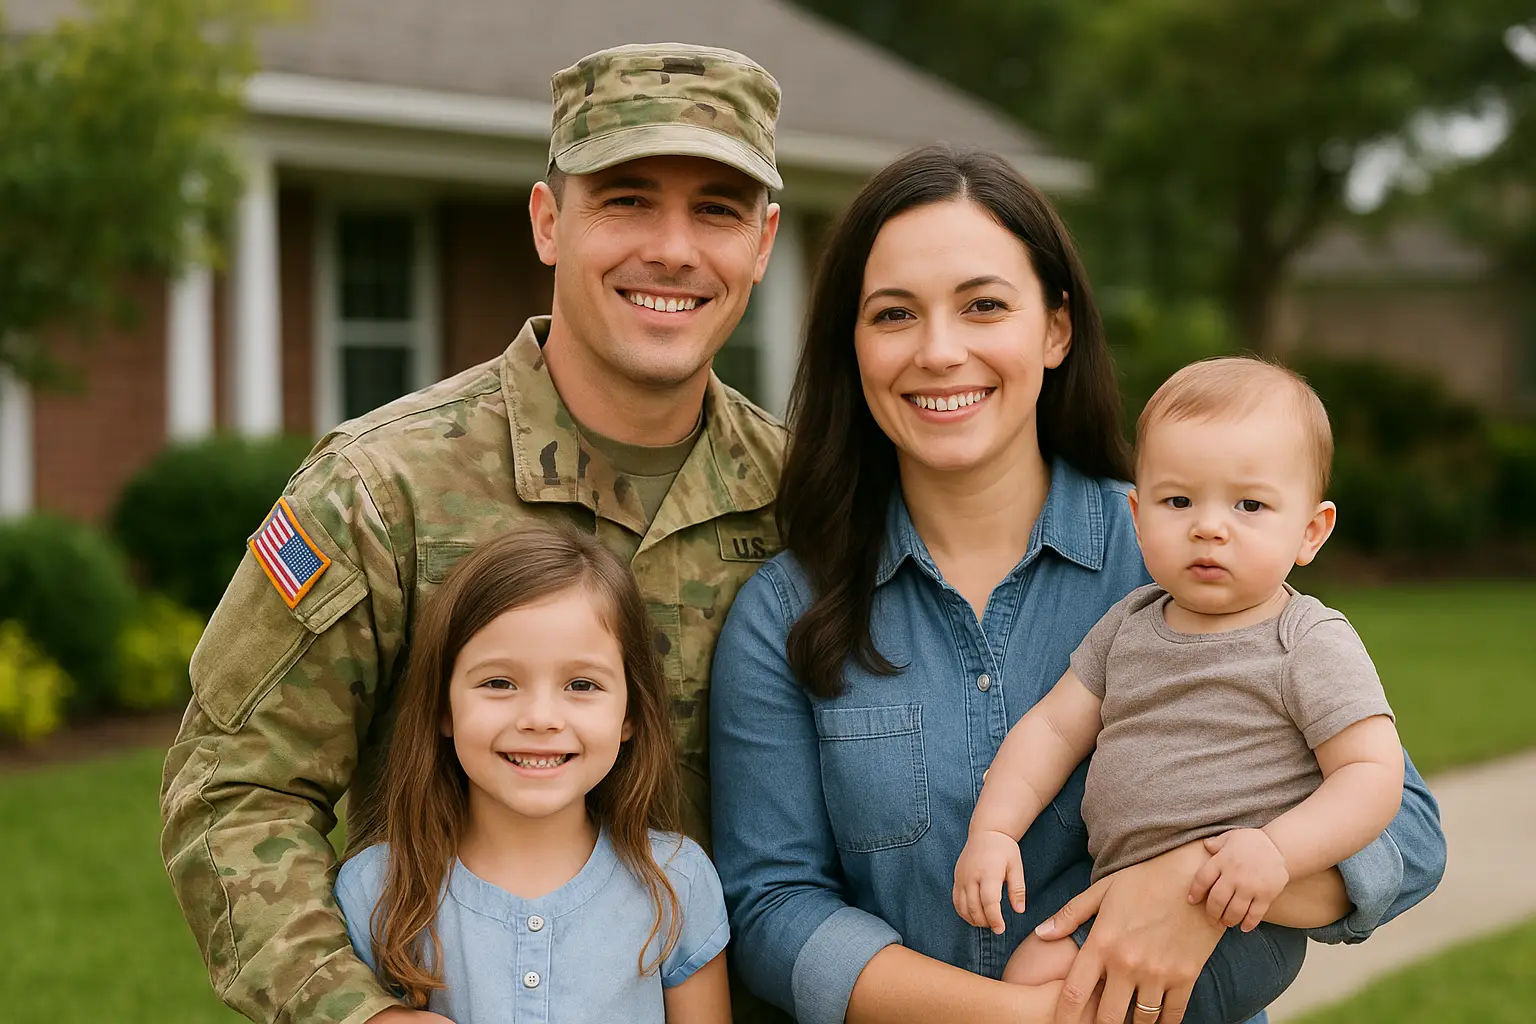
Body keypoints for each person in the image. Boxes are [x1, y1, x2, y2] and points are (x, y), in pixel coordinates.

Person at [707, 144, 1446, 1024]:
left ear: (1055, 328)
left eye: (984, 306)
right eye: (895, 314)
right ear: (853, 345)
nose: (941, 351)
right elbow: (771, 910)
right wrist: (1026, 1019)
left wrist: (1188, 886)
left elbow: (1408, 835)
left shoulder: (1183, 561)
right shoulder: (787, 612)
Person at [160, 41, 786, 1024]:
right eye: (625, 199)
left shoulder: (809, 499)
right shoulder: (380, 490)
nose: (673, 247)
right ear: (547, 221)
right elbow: (234, 790)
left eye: (717, 208)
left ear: (764, 242)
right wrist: (356, 1012)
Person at [954, 358, 1405, 1013]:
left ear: (1311, 531)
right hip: (1122, 891)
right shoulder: (1128, 626)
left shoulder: (1307, 640)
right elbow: (1052, 730)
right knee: (1034, 975)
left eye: (1249, 504)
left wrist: (1277, 851)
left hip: (1240, 907)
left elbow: (1372, 772)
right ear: (1137, 516)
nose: (1209, 525)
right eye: (1178, 500)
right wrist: (993, 832)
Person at [334, 522, 730, 1023]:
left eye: (582, 685)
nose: (541, 717)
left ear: (630, 713)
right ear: (443, 707)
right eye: (500, 682)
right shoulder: (376, 890)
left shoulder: (677, 882)